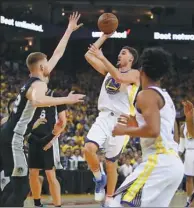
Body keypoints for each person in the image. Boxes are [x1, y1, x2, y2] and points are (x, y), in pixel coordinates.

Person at [0, 12, 85, 207]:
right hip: (14, 138)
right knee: (20, 187)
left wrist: (69, 31)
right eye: (47, 63)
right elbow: (38, 101)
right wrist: (67, 99)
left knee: (14, 186)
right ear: (40, 66)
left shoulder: (36, 78)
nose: (51, 64)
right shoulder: (38, 84)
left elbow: (58, 53)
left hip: (10, 135)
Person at [111, 47, 184, 207]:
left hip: (158, 162)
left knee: (117, 204)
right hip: (173, 163)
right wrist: (136, 125)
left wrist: (124, 130)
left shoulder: (146, 95)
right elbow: (171, 132)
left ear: (141, 70)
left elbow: (153, 130)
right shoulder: (165, 96)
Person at [84, 32, 140, 206]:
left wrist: (102, 57)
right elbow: (88, 55)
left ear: (131, 59)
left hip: (121, 122)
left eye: (124, 53)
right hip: (104, 116)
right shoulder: (108, 71)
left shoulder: (135, 74)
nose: (119, 54)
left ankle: (109, 200)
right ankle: (98, 178)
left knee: (111, 162)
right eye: (120, 52)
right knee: (88, 149)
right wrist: (104, 37)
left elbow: (120, 77)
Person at [27, 87, 67, 207]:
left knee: (50, 174)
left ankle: (57, 205)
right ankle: (37, 203)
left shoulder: (56, 95)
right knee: (33, 173)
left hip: (49, 138)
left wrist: (53, 140)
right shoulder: (32, 95)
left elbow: (63, 122)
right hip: (33, 138)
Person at [182, 101, 194, 207]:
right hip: (189, 151)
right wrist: (179, 152)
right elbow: (182, 141)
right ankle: (188, 200)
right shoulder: (184, 125)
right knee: (189, 178)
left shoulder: (190, 123)